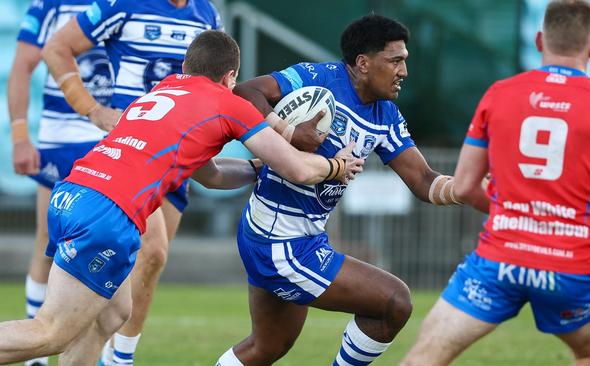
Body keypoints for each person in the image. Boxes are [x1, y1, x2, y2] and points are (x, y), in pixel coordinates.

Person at [0, 30, 363, 366]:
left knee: (113, 314)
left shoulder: (165, 90)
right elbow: (298, 169)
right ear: (230, 76)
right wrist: (335, 165)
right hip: (107, 214)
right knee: (52, 334)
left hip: (74, 193)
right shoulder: (227, 101)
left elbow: (213, 174)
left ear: (187, 67)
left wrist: (255, 169)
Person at [401, 1, 590, 365]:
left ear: (538, 40)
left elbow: (467, 185)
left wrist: (508, 211)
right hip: (570, 268)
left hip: (499, 261)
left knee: (423, 358)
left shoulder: (499, 94)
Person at [215, 14, 469, 366]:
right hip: (279, 241)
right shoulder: (316, 79)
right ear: (363, 63)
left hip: (298, 236)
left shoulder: (386, 116)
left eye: (405, 61)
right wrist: (286, 132)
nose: (404, 72)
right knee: (394, 302)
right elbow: (245, 92)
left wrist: (466, 187)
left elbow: (423, 181)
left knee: (266, 347)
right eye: (395, 61)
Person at [37, 1, 282, 364]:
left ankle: (111, 354)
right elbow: (56, 46)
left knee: (132, 286)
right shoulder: (122, 5)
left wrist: (262, 158)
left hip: (180, 154)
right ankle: (116, 359)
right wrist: (92, 108)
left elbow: (214, 167)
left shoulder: (206, 13)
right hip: (133, 152)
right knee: (152, 251)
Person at [8, 1, 113, 365]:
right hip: (62, 137)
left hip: (114, 135)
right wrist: (21, 136)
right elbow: (22, 66)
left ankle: (107, 353)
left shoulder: (126, 5)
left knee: (121, 245)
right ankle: (35, 352)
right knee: (47, 242)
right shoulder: (49, 5)